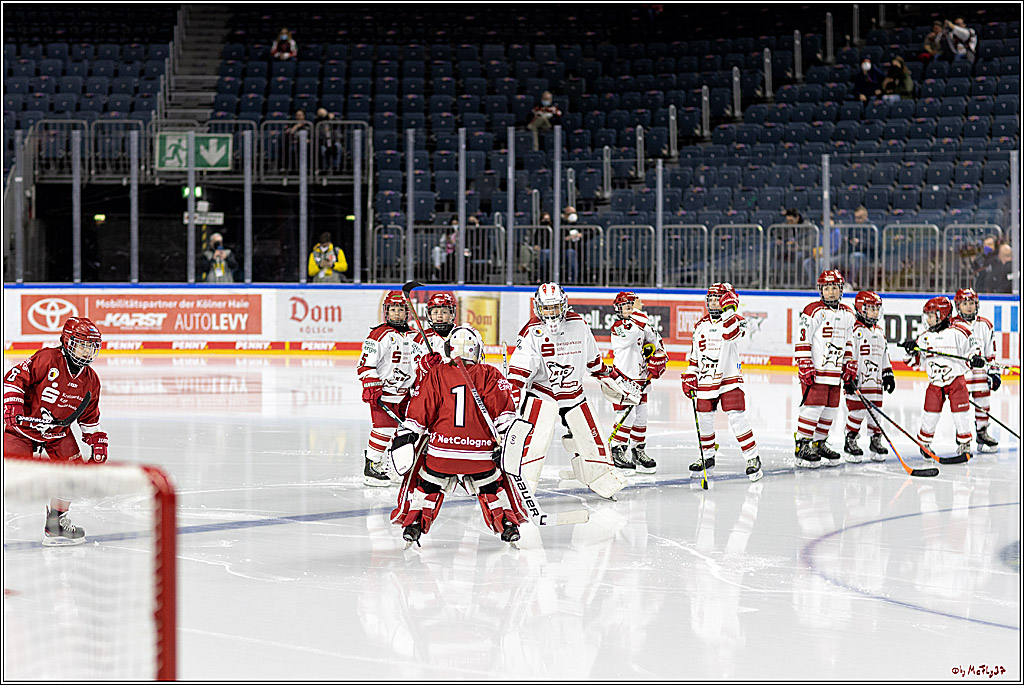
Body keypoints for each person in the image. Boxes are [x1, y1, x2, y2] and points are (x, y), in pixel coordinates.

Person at [389, 326, 527, 548]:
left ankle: (414, 523)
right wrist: (506, 444)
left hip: (441, 454)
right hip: (480, 456)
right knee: (491, 485)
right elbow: (506, 421)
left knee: (428, 483)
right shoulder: (491, 374)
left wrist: (406, 437)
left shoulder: (436, 373)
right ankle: (508, 525)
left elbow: (418, 417)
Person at [506, 283, 632, 499]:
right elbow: (518, 376)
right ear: (538, 308)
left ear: (563, 305)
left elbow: (594, 362)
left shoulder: (579, 324)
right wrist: (510, 403)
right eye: (546, 309)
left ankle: (598, 476)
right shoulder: (531, 332)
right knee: (535, 442)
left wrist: (614, 380)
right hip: (542, 396)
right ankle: (523, 483)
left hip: (574, 394)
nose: (551, 313)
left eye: (555, 308)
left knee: (591, 440)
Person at [3, 317, 107, 545]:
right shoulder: (48, 358)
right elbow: (14, 377)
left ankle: (56, 523)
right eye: (83, 344)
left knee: (74, 476)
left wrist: (97, 440)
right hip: (23, 429)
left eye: (91, 346)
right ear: (68, 342)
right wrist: (12, 404)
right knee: (9, 476)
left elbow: (89, 416)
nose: (87, 351)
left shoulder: (91, 381)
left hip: (57, 434)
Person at [681, 283, 764, 482]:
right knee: (704, 419)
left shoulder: (738, 321)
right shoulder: (700, 325)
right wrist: (690, 373)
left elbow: (731, 334)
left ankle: (752, 457)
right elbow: (694, 356)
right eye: (709, 298)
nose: (712, 302)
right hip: (705, 380)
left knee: (736, 418)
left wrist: (729, 311)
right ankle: (707, 456)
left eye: (717, 298)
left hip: (729, 379)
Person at [356, 292, 429, 487]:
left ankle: (396, 468)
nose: (397, 314)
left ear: (408, 312)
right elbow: (364, 365)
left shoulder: (415, 336)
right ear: (386, 312)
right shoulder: (379, 335)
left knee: (406, 432)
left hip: (407, 394)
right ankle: (372, 466)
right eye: (393, 310)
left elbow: (421, 364)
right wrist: (371, 384)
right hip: (384, 393)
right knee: (383, 429)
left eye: (401, 310)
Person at [901, 297, 985, 462]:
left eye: (932, 315)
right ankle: (924, 442)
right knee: (930, 414)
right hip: (935, 383)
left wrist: (975, 358)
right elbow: (914, 362)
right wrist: (911, 351)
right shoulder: (925, 338)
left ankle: (964, 442)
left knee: (961, 414)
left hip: (956, 381)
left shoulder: (961, 331)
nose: (928, 319)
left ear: (943, 314)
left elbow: (973, 350)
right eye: (928, 315)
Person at [793, 269, 858, 468]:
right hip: (817, 370)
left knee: (830, 409)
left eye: (835, 288)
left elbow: (848, 342)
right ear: (821, 290)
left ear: (841, 290)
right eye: (827, 288)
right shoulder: (812, 310)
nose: (831, 292)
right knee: (813, 407)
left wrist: (849, 364)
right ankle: (802, 444)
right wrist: (804, 362)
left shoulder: (848, 313)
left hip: (835, 371)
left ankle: (819, 443)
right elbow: (803, 337)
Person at [607, 291, 667, 474]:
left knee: (641, 416)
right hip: (623, 379)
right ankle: (617, 449)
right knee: (627, 415)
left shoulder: (643, 324)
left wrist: (659, 358)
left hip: (641, 378)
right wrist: (637, 311)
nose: (629, 311)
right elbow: (633, 333)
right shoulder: (619, 327)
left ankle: (637, 451)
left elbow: (657, 343)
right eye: (626, 308)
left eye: (630, 307)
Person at [842, 291, 895, 463]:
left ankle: (875, 440)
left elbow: (884, 354)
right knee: (857, 412)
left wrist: (888, 374)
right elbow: (850, 354)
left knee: (875, 413)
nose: (874, 313)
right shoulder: (854, 330)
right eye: (870, 309)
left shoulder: (879, 331)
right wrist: (849, 376)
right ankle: (850, 439)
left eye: (876, 309)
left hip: (876, 383)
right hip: (859, 382)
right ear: (860, 309)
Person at [951, 288, 1001, 451]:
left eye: (972, 303)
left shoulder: (985, 325)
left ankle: (982, 432)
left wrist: (993, 372)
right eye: (965, 303)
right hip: (961, 375)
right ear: (958, 306)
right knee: (961, 408)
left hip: (979, 375)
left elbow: (990, 353)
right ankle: (963, 438)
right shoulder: (952, 325)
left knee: (983, 404)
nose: (969, 307)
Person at [431, 217, 459, 282]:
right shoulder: (447, 233)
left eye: (456, 224)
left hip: (454, 252)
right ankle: (437, 267)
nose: (454, 226)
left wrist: (452, 241)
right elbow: (441, 243)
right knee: (436, 249)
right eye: (453, 224)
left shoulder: (459, 233)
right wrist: (447, 238)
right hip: (445, 251)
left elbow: (458, 245)